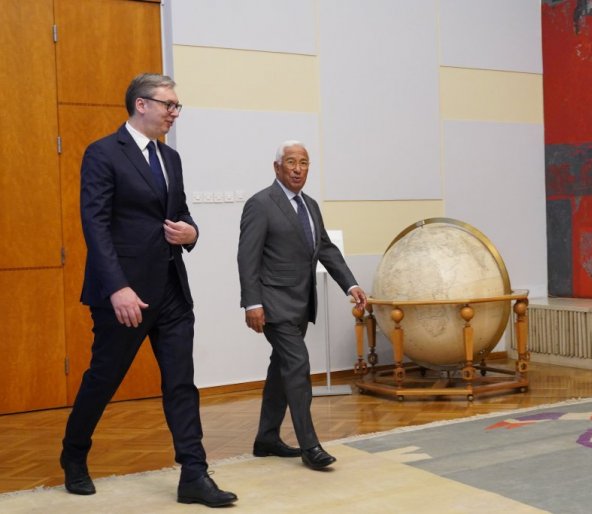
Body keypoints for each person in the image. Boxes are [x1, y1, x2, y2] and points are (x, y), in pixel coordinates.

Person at [60, 73, 237, 508]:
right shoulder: (103, 153)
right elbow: (95, 226)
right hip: (126, 295)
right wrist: (117, 287)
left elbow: (181, 213)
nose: (174, 113)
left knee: (181, 383)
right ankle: (74, 454)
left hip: (172, 289)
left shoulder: (170, 158)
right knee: (104, 378)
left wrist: (191, 232)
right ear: (141, 104)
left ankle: (194, 474)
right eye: (168, 105)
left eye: (177, 106)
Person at [237, 140, 367, 470]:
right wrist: (252, 303)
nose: (298, 169)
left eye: (304, 163)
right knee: (297, 366)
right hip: (274, 304)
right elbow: (247, 258)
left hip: (301, 303)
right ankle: (310, 446)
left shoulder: (310, 205)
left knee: (280, 370)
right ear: (277, 167)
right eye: (291, 162)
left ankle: (266, 438)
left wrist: (350, 284)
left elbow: (325, 249)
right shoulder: (260, 204)